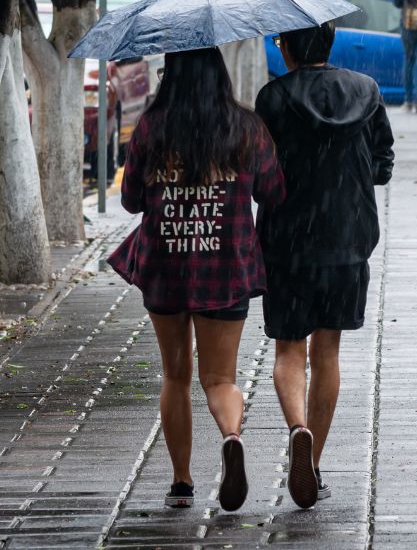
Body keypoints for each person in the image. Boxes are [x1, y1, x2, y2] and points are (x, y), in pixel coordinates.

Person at [107, 48, 285, 512]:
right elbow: (272, 191)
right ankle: (230, 436)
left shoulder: (152, 127)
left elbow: (130, 201)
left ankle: (182, 483)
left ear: (173, 76)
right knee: (221, 377)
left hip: (166, 265)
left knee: (175, 374)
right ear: (219, 75)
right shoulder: (246, 128)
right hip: (225, 266)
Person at [255, 22, 394, 509]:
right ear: (330, 43)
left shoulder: (272, 98)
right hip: (347, 237)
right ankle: (313, 462)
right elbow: (383, 162)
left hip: (287, 240)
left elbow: (261, 172)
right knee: (328, 350)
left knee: (289, 351)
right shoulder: (366, 90)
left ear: (287, 47)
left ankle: (298, 428)